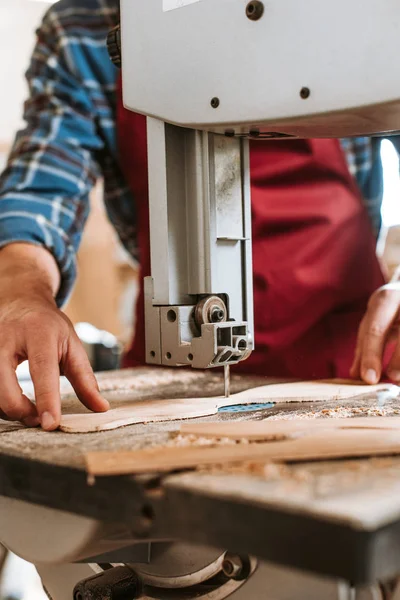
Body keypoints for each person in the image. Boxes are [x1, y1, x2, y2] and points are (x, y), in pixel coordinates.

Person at [0, 0, 399, 431]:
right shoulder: (84, 26)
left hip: (357, 361)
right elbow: (41, 193)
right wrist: (21, 294)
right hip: (173, 367)